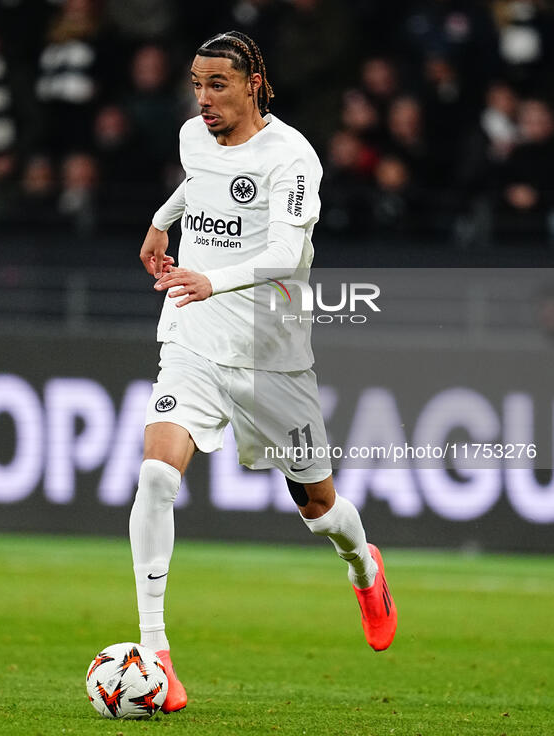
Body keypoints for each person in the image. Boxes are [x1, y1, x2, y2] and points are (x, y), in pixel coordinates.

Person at [131, 30, 397, 714]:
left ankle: (364, 567)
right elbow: (198, 187)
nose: (203, 98)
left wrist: (212, 280)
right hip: (191, 336)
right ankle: (156, 655)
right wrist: (162, 222)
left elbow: (285, 252)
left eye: (217, 84)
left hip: (269, 353)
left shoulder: (293, 157)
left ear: (253, 83)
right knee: (157, 475)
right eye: (196, 84)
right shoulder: (195, 136)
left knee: (318, 509)